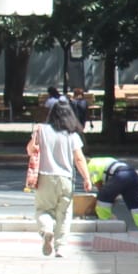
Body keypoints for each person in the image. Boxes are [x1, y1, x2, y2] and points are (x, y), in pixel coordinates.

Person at [26, 100, 90, 256]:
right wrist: (87, 178)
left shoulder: (41, 130)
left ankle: (47, 230)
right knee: (65, 213)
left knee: (43, 210)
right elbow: (79, 159)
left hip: (44, 178)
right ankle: (60, 247)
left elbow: (30, 150)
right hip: (65, 179)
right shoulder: (72, 134)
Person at [86, 155, 138, 231]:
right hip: (132, 174)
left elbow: (101, 189)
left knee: (103, 200)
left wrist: (92, 207)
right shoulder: (102, 159)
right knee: (135, 206)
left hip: (119, 176)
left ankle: (105, 225)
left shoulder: (90, 167)